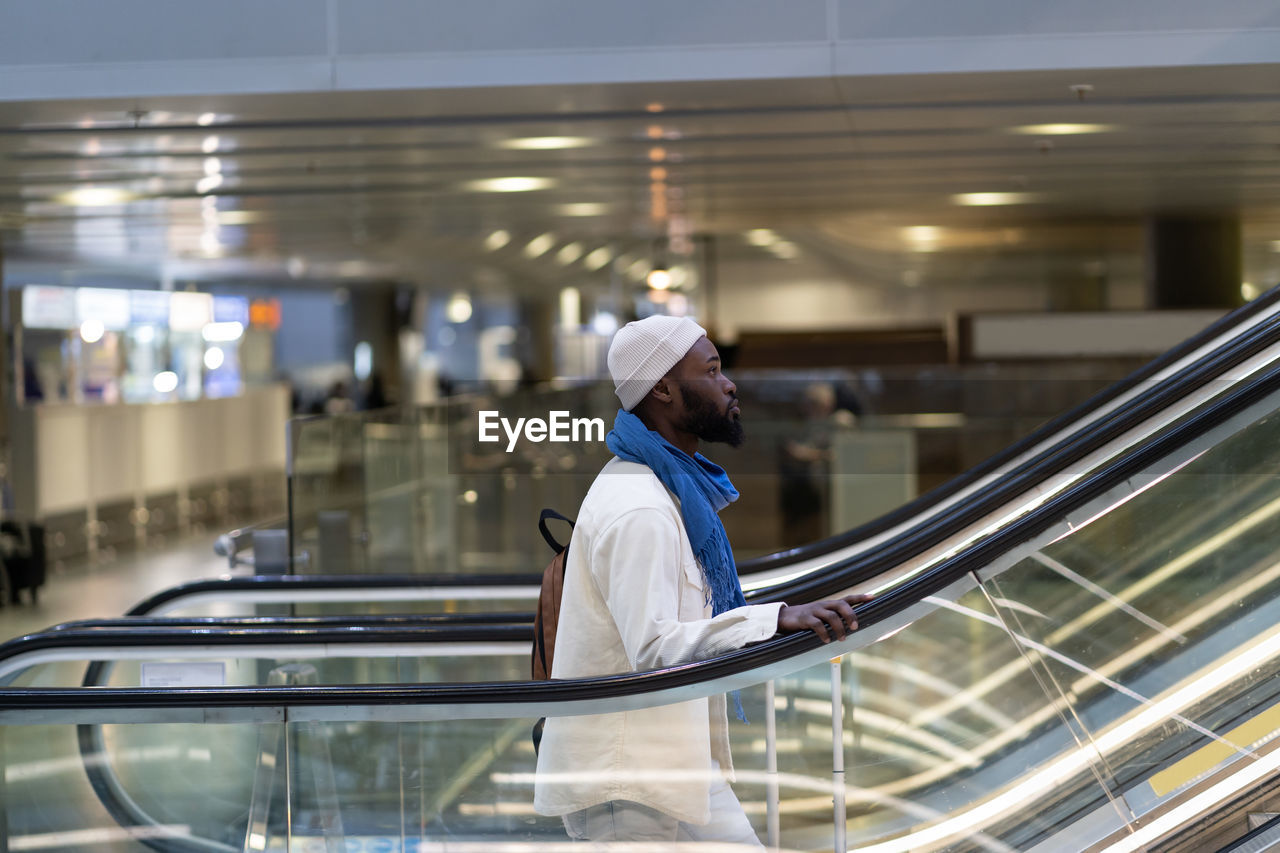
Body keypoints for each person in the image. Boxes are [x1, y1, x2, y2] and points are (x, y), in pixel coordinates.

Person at [533, 315, 872, 845]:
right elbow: (653, 647)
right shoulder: (638, 505)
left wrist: (777, 615)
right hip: (627, 783)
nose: (729, 383)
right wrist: (773, 619)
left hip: (674, 765)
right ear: (663, 388)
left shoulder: (668, 487)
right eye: (711, 371)